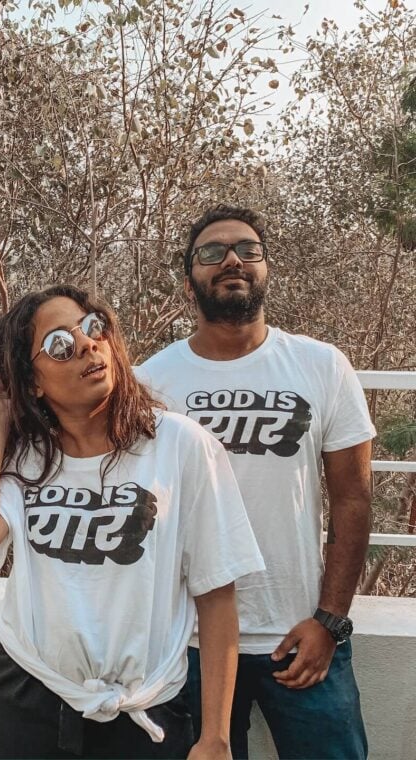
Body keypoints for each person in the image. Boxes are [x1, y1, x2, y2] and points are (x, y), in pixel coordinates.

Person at [0, 284, 265, 760]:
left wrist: (215, 737)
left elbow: (216, 595)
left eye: (92, 328)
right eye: (60, 344)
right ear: (32, 382)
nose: (87, 345)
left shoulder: (179, 445)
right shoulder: (27, 458)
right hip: (22, 696)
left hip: (144, 709)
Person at [138, 205, 376, 759]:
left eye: (247, 249)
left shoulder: (321, 366)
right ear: (189, 279)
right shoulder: (150, 382)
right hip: (188, 644)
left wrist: (330, 620)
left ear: (266, 268)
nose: (232, 260)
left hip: (301, 634)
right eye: (212, 252)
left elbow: (353, 498)